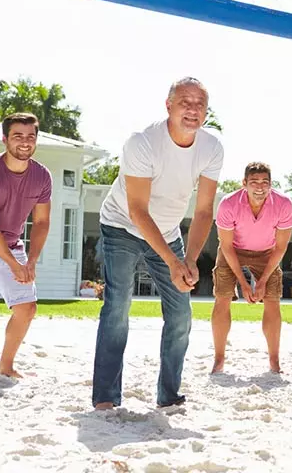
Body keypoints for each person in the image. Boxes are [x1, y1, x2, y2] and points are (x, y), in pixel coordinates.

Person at [92, 77, 224, 410]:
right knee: (117, 308)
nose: (192, 110)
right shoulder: (143, 143)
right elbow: (138, 210)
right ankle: (106, 397)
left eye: (199, 104)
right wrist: (173, 261)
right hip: (122, 225)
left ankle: (168, 396)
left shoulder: (212, 147)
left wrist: (190, 260)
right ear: (168, 106)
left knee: (181, 315)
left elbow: (205, 209)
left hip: (167, 232)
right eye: (185, 102)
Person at [0, 113, 52, 380]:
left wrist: (30, 261)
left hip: (12, 243)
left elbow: (41, 222)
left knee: (26, 308)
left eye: (30, 136)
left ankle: (5, 367)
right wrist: (13, 264)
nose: (25, 142)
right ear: (5, 139)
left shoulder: (42, 176)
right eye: (18, 136)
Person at [211, 162, 292, 374]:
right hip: (233, 251)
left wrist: (262, 281)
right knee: (222, 297)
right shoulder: (229, 204)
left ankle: (274, 361)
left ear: (270, 184)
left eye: (265, 182)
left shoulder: (283, 204)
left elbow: (281, 247)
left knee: (273, 300)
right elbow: (227, 246)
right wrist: (243, 282)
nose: (260, 187)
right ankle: (219, 359)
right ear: (244, 183)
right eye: (254, 182)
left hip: (267, 252)